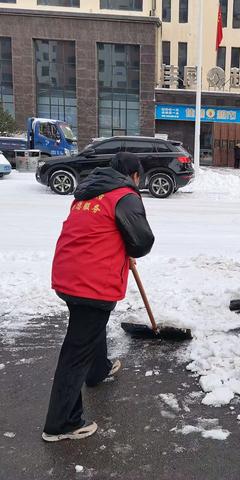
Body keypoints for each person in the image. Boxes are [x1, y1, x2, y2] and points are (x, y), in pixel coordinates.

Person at [42, 152, 155, 442]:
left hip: (69, 274)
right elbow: (142, 241)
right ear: (133, 175)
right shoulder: (125, 196)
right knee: (76, 350)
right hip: (91, 281)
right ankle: (61, 423)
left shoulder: (88, 193)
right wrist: (128, 246)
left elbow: (97, 231)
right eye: (139, 177)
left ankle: (98, 370)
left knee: (89, 327)